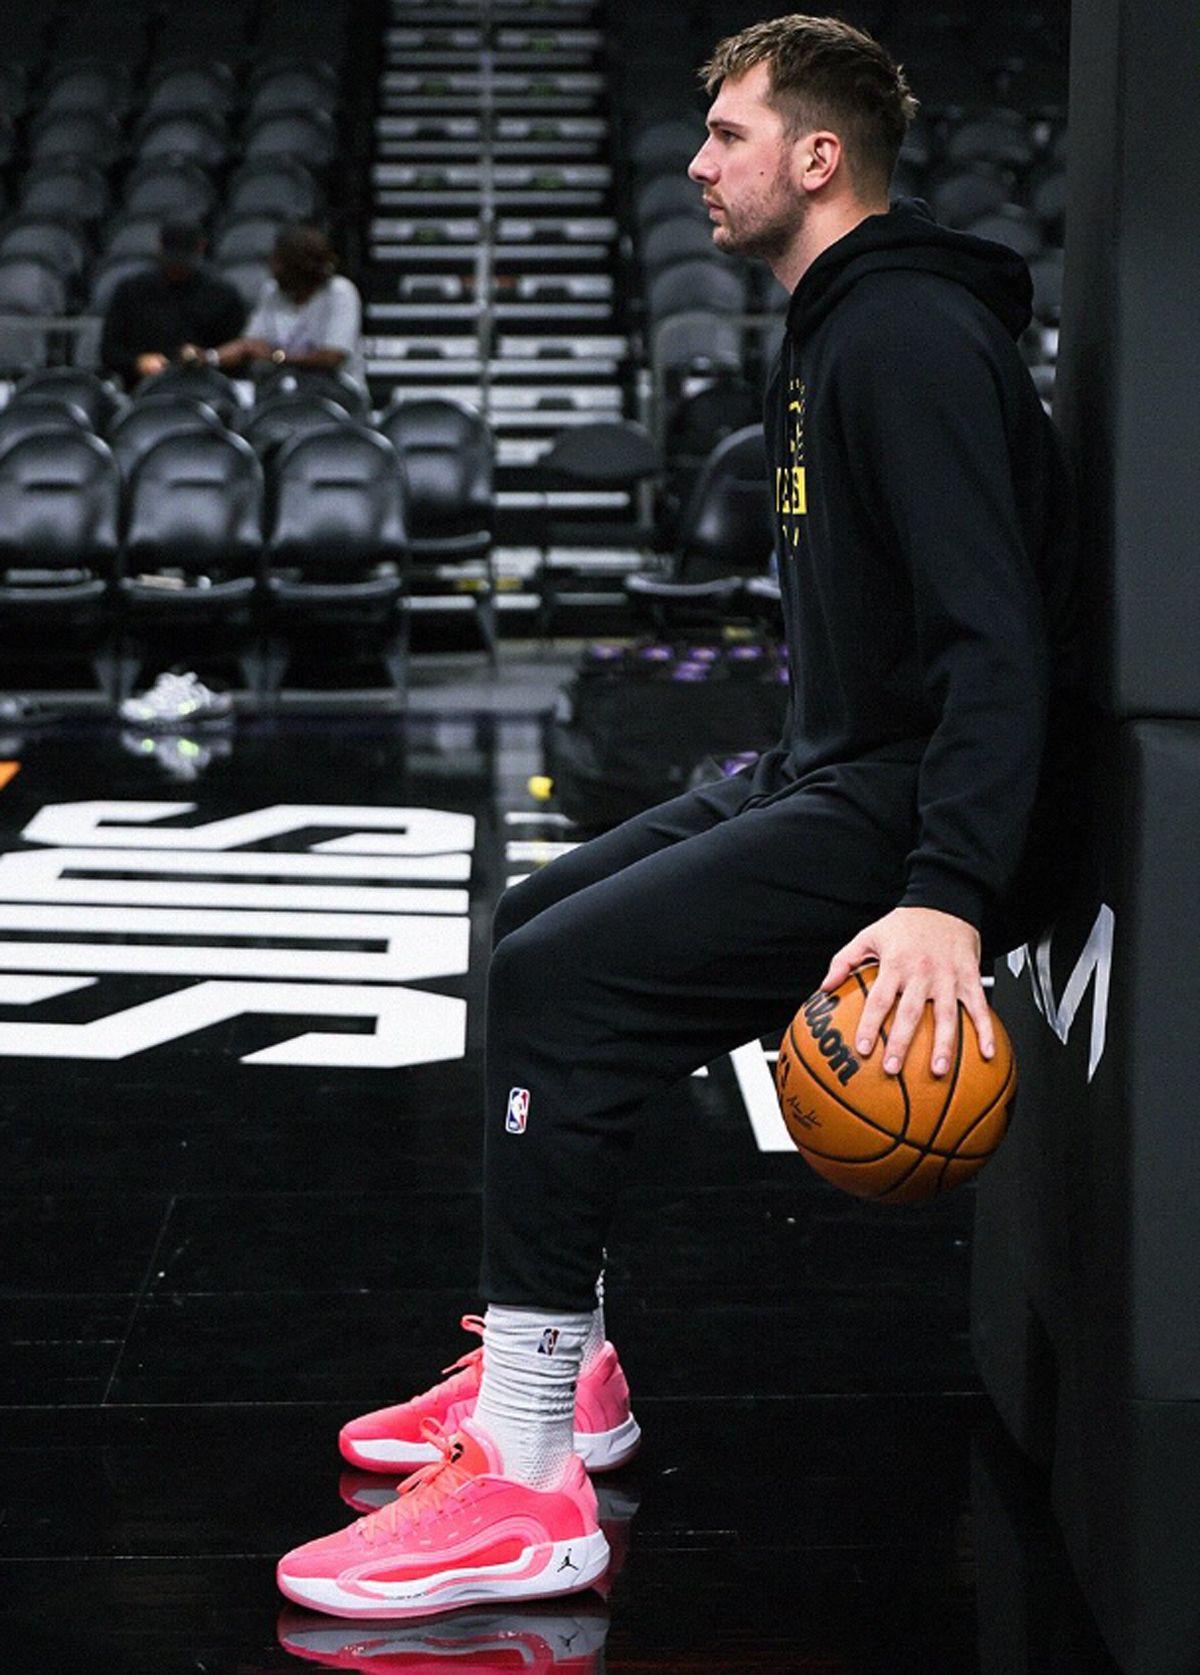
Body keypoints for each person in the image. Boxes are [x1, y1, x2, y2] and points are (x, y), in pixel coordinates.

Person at [277, 13, 1083, 1620]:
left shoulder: (907, 335)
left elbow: (1000, 642)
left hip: (921, 804)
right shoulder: (838, 324)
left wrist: (946, 891)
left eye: (728, 134)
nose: (697, 161)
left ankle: (529, 1484)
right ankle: (564, 1370)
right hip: (839, 765)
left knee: (562, 985)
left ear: (820, 155)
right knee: (527, 927)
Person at [206, 223, 366, 397]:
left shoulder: (340, 292)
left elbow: (332, 357)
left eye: (279, 263)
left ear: (301, 266)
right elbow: (249, 345)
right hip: (283, 391)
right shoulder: (272, 291)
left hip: (337, 392)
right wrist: (208, 358)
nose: (273, 270)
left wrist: (276, 356)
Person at [98, 220, 246, 388]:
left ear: (201, 247)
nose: (177, 268)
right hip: (143, 389)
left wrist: (206, 357)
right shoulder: (131, 291)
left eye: (184, 261)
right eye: (173, 261)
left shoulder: (222, 294)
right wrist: (137, 362)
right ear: (160, 248)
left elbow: (240, 353)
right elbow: (109, 351)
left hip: (207, 387)